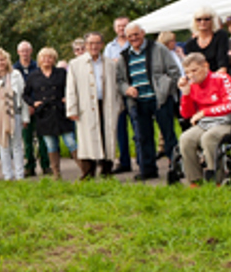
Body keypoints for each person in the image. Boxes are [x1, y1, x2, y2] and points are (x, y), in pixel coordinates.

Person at [116, 22, 181, 181]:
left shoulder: (158, 48)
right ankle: (148, 169)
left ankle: (177, 168)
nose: (133, 38)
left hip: (160, 99)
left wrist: (165, 88)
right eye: (129, 36)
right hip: (138, 102)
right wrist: (126, 89)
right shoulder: (124, 56)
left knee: (169, 136)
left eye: (136, 34)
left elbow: (174, 72)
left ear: (143, 33)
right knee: (143, 137)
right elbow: (119, 80)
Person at [177, 53, 231, 186]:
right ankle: (195, 181)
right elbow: (187, 114)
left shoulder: (222, 78)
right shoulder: (192, 85)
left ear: (205, 66)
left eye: (194, 70)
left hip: (226, 121)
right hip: (204, 124)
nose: (191, 75)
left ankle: (218, 179)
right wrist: (186, 94)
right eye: (187, 72)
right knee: (185, 138)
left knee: (209, 138)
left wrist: (205, 112)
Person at [66, 31, 122, 179]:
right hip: (86, 105)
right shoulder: (75, 64)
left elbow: (116, 86)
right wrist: (72, 108)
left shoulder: (110, 63)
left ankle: (106, 170)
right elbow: (71, 88)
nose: (94, 46)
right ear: (85, 45)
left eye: (97, 43)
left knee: (107, 136)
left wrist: (119, 105)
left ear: (102, 45)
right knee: (87, 139)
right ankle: (87, 172)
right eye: (91, 43)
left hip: (107, 104)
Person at [23, 47, 77, 180]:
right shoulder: (33, 75)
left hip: (60, 111)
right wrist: (33, 103)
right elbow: (25, 94)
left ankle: (86, 171)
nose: (47, 60)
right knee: (51, 144)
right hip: (44, 114)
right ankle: (56, 174)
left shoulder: (61, 73)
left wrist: (67, 98)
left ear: (54, 59)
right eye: (44, 57)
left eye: (50, 57)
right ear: (39, 60)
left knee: (70, 142)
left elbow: (72, 87)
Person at [0, 48, 27, 180]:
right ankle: (8, 174)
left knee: (17, 145)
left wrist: (25, 117)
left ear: (6, 60)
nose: (0, 62)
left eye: (2, 59)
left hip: (15, 114)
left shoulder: (16, 75)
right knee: (3, 145)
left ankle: (20, 174)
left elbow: (23, 96)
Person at [14, 41, 49, 177]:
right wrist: (27, 105)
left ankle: (46, 165)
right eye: (22, 51)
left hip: (39, 106)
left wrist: (35, 103)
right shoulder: (14, 69)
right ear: (18, 53)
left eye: (27, 51)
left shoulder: (38, 67)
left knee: (43, 138)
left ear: (31, 51)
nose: (25, 54)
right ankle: (30, 165)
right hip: (23, 108)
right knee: (27, 139)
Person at [104, 16, 134, 174]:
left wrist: (117, 63)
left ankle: (143, 160)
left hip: (133, 89)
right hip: (116, 92)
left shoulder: (135, 43)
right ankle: (124, 162)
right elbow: (106, 66)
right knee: (120, 129)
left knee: (138, 128)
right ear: (115, 28)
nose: (122, 28)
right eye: (119, 26)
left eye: (125, 25)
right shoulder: (109, 47)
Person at [183, 6, 229, 74]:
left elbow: (223, 65)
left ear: (212, 20)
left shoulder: (220, 35)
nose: (203, 22)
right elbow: (191, 69)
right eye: (199, 19)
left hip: (219, 77)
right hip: (200, 79)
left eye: (206, 19)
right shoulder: (190, 43)